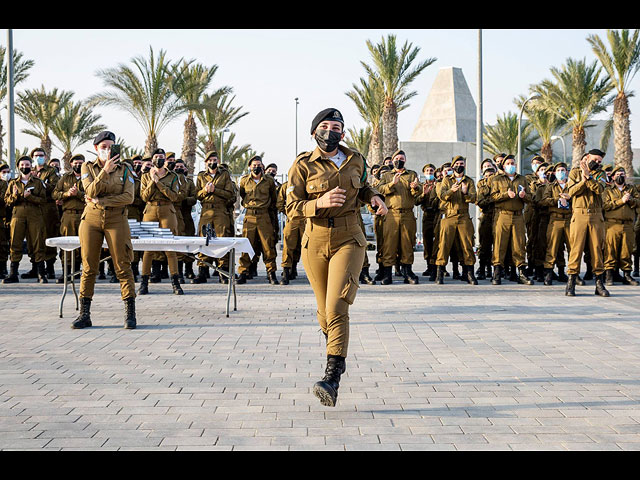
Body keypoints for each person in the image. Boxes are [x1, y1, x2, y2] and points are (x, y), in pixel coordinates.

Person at [286, 107, 387, 407]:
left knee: (337, 305)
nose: (331, 131)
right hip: (314, 239)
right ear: (314, 131)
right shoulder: (302, 165)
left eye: (337, 126)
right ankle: (339, 355)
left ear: (343, 132)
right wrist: (319, 202)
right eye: (326, 125)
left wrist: (375, 198)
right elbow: (291, 208)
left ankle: (331, 377)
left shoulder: (356, 159)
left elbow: (364, 187)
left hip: (349, 237)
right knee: (323, 312)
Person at [72, 131, 137, 328]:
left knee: (123, 265)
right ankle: (85, 314)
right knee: (89, 267)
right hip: (91, 219)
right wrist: (105, 171)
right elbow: (89, 191)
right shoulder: (87, 167)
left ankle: (130, 313)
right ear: (96, 149)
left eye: (111, 147)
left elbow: (129, 197)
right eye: (103, 147)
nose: (107, 150)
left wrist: (103, 201)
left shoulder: (125, 169)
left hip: (116, 219)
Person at [138, 148, 184, 296]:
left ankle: (175, 282)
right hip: (150, 210)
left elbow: (174, 196)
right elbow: (144, 196)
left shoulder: (173, 176)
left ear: (165, 160)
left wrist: (159, 183)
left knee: (170, 248)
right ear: (152, 160)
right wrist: (153, 181)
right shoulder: (145, 176)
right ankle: (144, 283)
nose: (159, 159)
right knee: (148, 249)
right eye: (156, 157)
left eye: (161, 157)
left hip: (167, 211)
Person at [565, 150, 610, 297]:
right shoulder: (575, 173)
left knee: (597, 249)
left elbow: (599, 189)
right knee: (576, 249)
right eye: (595, 160)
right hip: (579, 214)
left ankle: (599, 283)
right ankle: (571, 281)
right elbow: (571, 191)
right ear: (587, 157)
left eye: (599, 161)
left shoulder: (601, 174)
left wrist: (589, 177)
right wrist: (584, 180)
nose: (597, 163)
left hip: (596, 215)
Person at [376, 149, 421, 284]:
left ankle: (408, 272)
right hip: (391, 214)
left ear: (405, 160)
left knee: (407, 243)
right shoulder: (387, 175)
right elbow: (379, 189)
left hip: (407, 214)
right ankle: (387, 274)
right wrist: (392, 184)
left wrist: (415, 187)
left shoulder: (411, 174)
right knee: (389, 244)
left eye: (401, 159)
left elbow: (418, 193)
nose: (398, 161)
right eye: (396, 159)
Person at [191, 151, 236, 284]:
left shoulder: (224, 175)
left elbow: (229, 194)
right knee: (203, 239)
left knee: (222, 239)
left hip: (220, 210)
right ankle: (203, 271)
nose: (212, 162)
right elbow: (197, 195)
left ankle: (223, 271)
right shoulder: (200, 176)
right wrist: (205, 190)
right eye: (209, 160)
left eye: (214, 160)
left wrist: (214, 190)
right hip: (206, 211)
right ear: (206, 163)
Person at [489, 154, 534, 285]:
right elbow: (493, 197)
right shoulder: (497, 179)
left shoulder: (522, 179)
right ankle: (497, 272)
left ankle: (521, 273)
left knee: (519, 244)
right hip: (502, 214)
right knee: (499, 244)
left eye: (513, 163)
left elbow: (531, 198)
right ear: (503, 166)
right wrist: (505, 195)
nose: (511, 165)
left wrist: (524, 196)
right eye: (508, 163)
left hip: (518, 215)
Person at [2, 156, 48, 284]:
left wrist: (30, 197)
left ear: (31, 166)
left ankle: (41, 273)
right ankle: (13, 274)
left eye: (27, 164)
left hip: (35, 215)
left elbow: (43, 200)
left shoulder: (38, 182)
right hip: (18, 215)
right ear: (18, 167)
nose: (24, 167)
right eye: (22, 165)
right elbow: (7, 201)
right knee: (15, 242)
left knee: (38, 243)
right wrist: (17, 195)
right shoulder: (13, 183)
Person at [434, 155, 477, 285]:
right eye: (457, 163)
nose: (460, 165)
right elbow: (442, 196)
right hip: (449, 215)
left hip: (464, 215)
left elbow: (474, 198)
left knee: (467, 244)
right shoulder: (447, 180)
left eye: (462, 163)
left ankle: (469, 272)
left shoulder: (468, 181)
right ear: (453, 166)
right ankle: (440, 272)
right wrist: (451, 191)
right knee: (444, 244)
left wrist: (465, 193)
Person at [237, 156, 280, 285]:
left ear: (263, 166)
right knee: (247, 245)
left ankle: (271, 273)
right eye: (254, 165)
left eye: (259, 165)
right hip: (249, 215)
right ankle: (243, 272)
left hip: (264, 216)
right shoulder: (244, 181)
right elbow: (242, 195)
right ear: (250, 167)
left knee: (268, 246)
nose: (257, 167)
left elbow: (273, 198)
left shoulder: (269, 181)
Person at [602, 166, 640, 286]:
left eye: (622, 174)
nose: (620, 176)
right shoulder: (608, 190)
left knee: (627, 250)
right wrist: (621, 201)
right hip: (612, 224)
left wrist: (631, 200)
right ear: (613, 177)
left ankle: (627, 274)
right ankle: (609, 274)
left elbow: (639, 202)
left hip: (628, 225)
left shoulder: (631, 189)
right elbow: (604, 206)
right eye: (618, 174)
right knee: (610, 250)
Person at [52, 154, 86, 283]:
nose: (78, 165)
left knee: (84, 244)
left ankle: (79, 271)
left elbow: (93, 194)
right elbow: (55, 193)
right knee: (67, 243)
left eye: (81, 163)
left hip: (84, 213)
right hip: (68, 215)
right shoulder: (65, 178)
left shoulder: (89, 177)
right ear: (71, 164)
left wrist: (79, 194)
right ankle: (67, 272)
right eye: (76, 163)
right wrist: (67, 194)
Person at [540, 162, 572, 286]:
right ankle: (548, 272)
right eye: (558, 170)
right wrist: (557, 200)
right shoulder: (551, 186)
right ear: (554, 173)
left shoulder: (571, 186)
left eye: (563, 170)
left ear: (567, 172)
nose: (561, 172)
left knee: (572, 247)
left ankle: (570, 273)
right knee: (552, 247)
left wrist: (569, 198)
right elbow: (544, 201)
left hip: (569, 219)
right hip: (555, 219)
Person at [276, 177, 304, 285]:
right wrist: (289, 213)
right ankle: (286, 272)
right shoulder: (286, 186)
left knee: (305, 246)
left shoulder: (308, 183)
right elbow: (279, 203)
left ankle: (294, 267)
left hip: (306, 219)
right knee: (288, 246)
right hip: (292, 220)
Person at [175, 159, 197, 280]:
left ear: (185, 169)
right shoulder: (172, 180)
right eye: (177, 166)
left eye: (181, 167)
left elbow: (194, 198)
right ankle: (178, 271)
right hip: (175, 215)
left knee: (189, 243)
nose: (179, 168)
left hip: (186, 215)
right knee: (178, 243)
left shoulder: (189, 182)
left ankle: (189, 269)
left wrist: (183, 199)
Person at [475, 159, 497, 280]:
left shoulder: (499, 185)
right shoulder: (481, 186)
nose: (489, 177)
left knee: (498, 245)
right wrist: (492, 199)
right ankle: (483, 268)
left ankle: (495, 269)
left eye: (491, 175)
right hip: (486, 217)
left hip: (498, 216)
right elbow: (480, 202)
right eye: (486, 175)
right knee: (485, 245)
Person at [416, 163, 438, 278]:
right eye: (427, 171)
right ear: (424, 173)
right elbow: (416, 201)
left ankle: (437, 266)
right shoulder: (421, 186)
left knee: (437, 241)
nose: (430, 173)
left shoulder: (439, 184)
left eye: (431, 171)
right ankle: (429, 266)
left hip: (437, 214)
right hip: (427, 215)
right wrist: (424, 194)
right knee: (427, 241)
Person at [0, 162, 11, 279]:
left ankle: (4, 268)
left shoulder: (7, 184)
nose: (6, 175)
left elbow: (3, 199)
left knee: (4, 244)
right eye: (3, 172)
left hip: (9, 217)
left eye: (7, 172)